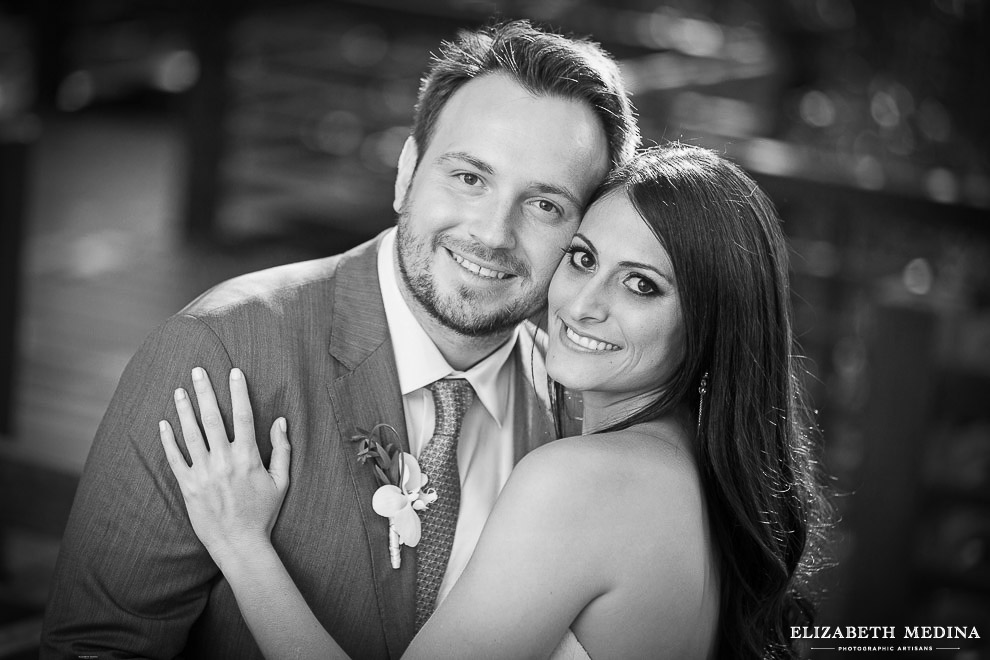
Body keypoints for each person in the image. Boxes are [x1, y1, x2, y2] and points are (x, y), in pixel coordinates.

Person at [41, 19, 638, 659]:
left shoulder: (575, 411)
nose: (492, 233)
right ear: (407, 173)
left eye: (545, 205)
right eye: (468, 177)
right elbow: (97, 647)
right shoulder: (220, 354)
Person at [159, 144, 832, 659]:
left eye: (642, 286)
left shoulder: (585, 483)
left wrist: (242, 545)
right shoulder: (693, 470)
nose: (584, 305)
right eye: (583, 258)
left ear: (711, 321)